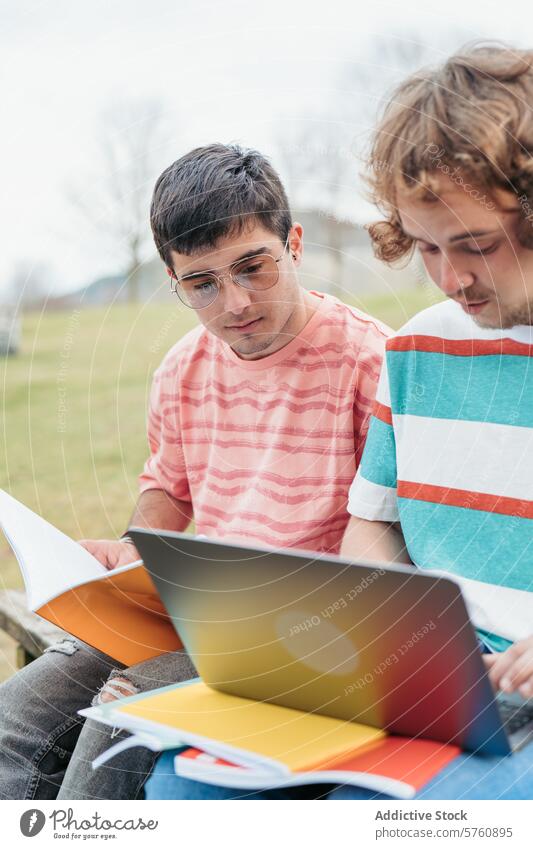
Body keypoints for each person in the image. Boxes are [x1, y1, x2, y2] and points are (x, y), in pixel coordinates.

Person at [146, 44, 533, 800]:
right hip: (425, 680)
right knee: (181, 792)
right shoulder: (418, 348)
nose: (451, 278)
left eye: (476, 245)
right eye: (425, 247)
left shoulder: (361, 348)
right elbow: (375, 523)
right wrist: (388, 641)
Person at [0, 143, 388, 800]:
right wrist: (127, 556)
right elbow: (167, 489)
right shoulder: (182, 368)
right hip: (188, 607)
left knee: (111, 728)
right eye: (202, 283)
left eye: (252, 268)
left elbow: (384, 547)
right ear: (174, 282)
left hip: (296, 635)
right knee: (15, 718)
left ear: (292, 244)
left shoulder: (369, 361)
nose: (233, 302)